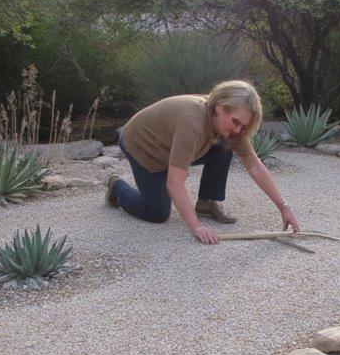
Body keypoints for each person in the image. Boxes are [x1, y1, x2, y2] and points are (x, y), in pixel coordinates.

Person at [106, 80, 301, 245]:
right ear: (219, 107)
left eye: (244, 125)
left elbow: (256, 167)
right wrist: (196, 226)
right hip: (144, 146)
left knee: (226, 145)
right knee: (157, 213)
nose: (238, 130)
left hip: (172, 145)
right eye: (236, 122)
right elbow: (174, 182)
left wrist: (284, 207)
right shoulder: (192, 123)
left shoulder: (231, 126)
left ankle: (207, 202)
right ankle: (117, 186)